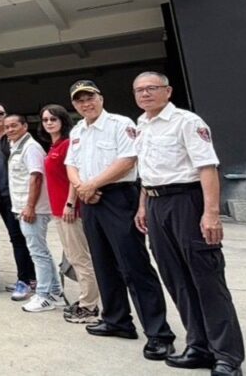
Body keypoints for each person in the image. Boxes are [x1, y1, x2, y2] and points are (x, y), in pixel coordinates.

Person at [132, 72, 245, 376]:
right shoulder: (141, 125)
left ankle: (227, 357)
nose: (145, 94)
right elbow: (147, 170)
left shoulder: (186, 122)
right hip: (156, 204)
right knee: (177, 280)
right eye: (139, 90)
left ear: (167, 91)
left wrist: (211, 213)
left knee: (207, 279)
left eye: (151, 88)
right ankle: (198, 346)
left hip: (187, 201)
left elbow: (207, 167)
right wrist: (143, 206)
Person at [66, 79, 175, 361]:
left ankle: (159, 334)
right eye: (79, 100)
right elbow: (71, 165)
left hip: (118, 197)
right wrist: (81, 187)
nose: (85, 103)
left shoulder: (119, 124)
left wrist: (92, 185)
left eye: (90, 97)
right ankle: (117, 320)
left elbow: (128, 160)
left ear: (101, 98)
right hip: (89, 200)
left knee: (133, 265)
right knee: (102, 263)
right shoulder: (78, 130)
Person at [40, 104, 100, 325]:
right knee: (75, 258)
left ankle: (89, 306)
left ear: (63, 120)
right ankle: (87, 300)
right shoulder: (54, 145)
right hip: (58, 210)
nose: (48, 123)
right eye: (45, 119)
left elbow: (75, 176)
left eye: (53, 119)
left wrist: (70, 203)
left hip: (69, 210)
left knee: (81, 259)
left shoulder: (68, 144)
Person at [4, 114, 62, 313]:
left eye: (14, 126)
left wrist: (30, 206)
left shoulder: (31, 148)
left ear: (25, 126)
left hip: (33, 209)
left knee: (37, 253)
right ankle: (55, 291)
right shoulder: (17, 146)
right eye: (7, 127)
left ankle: (44, 295)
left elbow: (36, 177)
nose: (10, 129)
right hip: (23, 206)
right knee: (40, 250)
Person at [0, 102, 36, 302]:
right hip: (0, 198)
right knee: (17, 239)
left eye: (1, 113)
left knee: (24, 239)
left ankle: (26, 280)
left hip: (18, 198)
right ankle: (30, 277)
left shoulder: (15, 140)